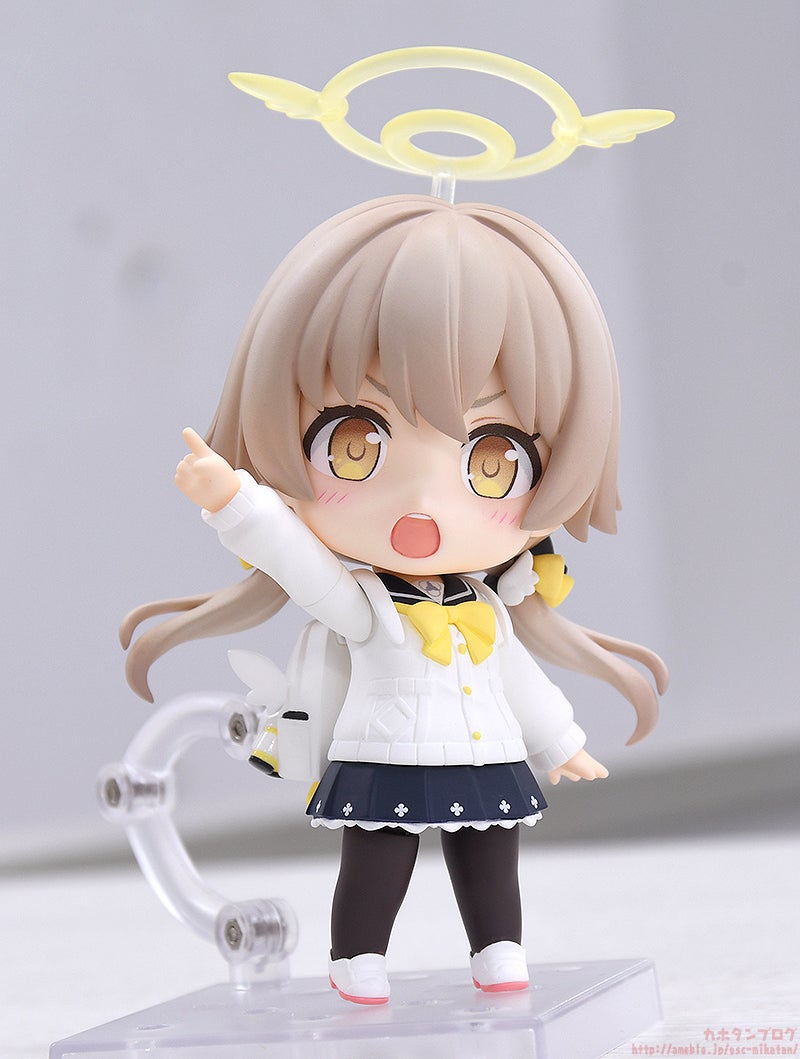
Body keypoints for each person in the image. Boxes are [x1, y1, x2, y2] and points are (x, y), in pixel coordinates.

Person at [122, 195, 668, 1005]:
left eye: (493, 459)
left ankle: (499, 950)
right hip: (387, 752)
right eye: (355, 442)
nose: (423, 505)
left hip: (484, 751)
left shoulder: (486, 608)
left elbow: (518, 681)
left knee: (492, 855)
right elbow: (303, 565)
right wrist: (234, 499)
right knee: (379, 857)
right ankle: (357, 957)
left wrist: (562, 741)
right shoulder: (369, 606)